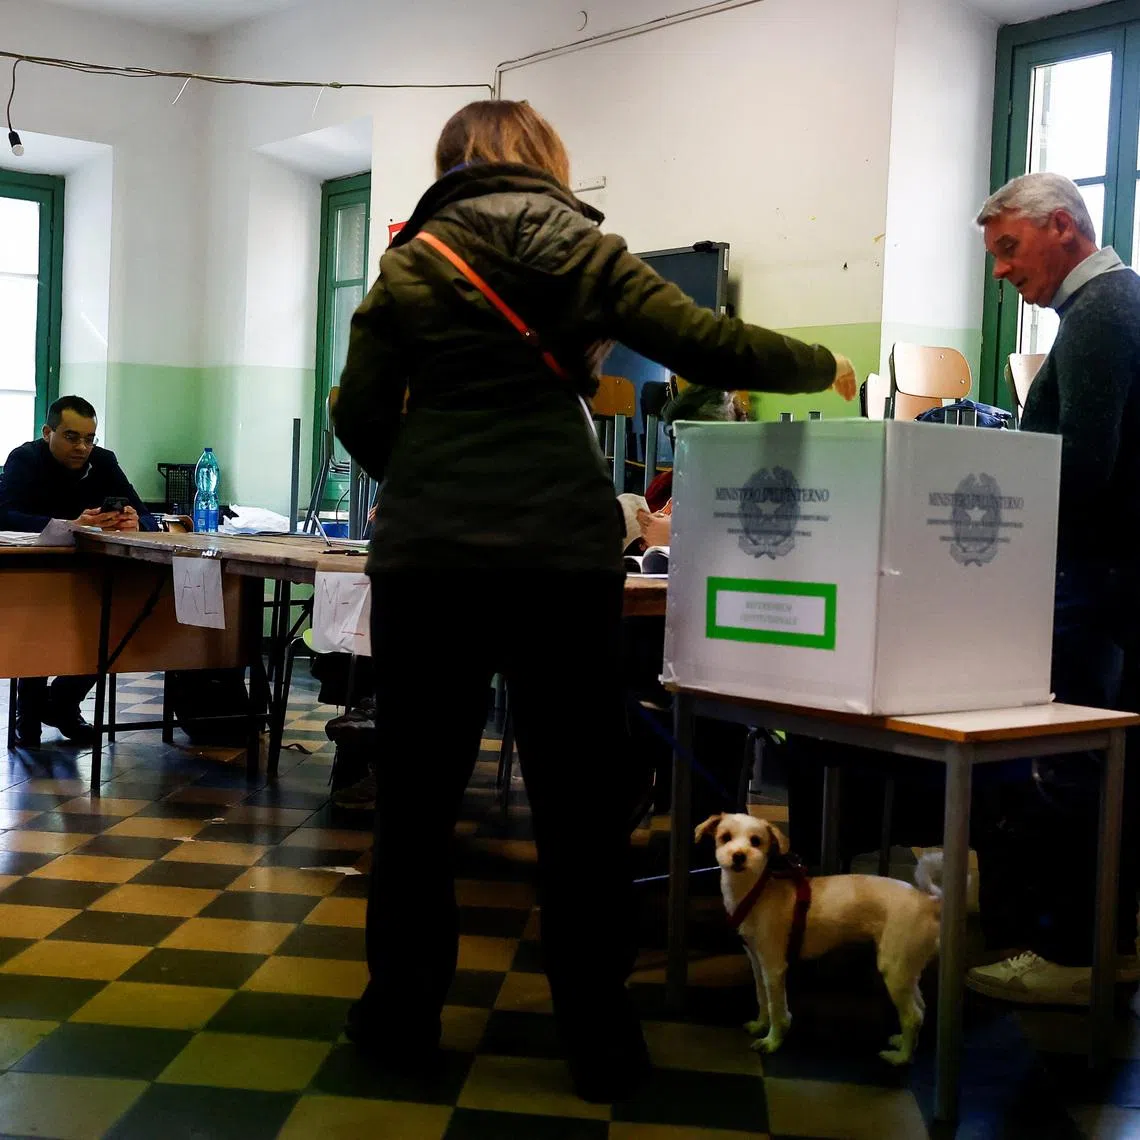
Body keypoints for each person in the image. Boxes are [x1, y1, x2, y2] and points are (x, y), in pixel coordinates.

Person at [333, 98, 857, 1101]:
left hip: (429, 564)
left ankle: (400, 1021)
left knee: (415, 808)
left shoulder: (409, 264)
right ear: (546, 160)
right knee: (579, 809)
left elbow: (359, 414)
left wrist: (433, 479)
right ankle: (601, 1041)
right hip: (560, 561)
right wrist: (818, 364)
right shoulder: (588, 251)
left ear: (451, 163)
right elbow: (708, 343)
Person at [966, 172, 1140, 1003]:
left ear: (1063, 228)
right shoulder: (1108, 306)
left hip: (1096, 578)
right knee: (1105, 770)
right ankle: (1105, 942)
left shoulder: (1103, 312)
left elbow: (1088, 466)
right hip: (1110, 576)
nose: (1001, 271)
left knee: (1075, 769)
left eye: (1008, 248)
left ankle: (1074, 956)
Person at [0, 395, 158, 747]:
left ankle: (61, 702)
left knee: (119, 621)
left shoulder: (104, 462)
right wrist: (67, 523)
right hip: (34, 572)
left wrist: (136, 523)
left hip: (92, 572)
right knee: (38, 624)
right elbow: (5, 514)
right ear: (48, 432)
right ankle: (30, 713)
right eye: (71, 437)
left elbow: (146, 515)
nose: (82, 447)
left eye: (89, 438)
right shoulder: (23, 459)